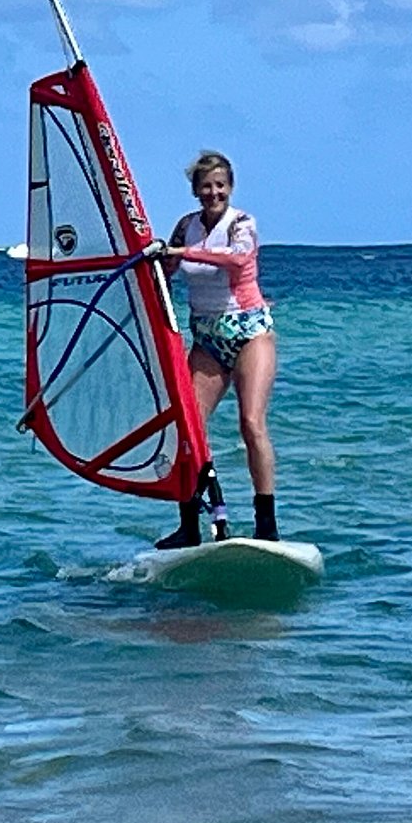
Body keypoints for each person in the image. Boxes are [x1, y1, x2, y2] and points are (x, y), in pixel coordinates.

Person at [156, 150, 279, 548]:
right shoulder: (185, 227)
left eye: (220, 186)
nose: (214, 193)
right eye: (206, 186)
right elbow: (165, 272)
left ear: (230, 188)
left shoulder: (242, 223)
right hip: (207, 338)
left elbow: (236, 258)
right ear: (195, 190)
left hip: (249, 332)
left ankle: (266, 525)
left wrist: (182, 253)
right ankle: (190, 525)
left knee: (251, 423)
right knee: (187, 431)